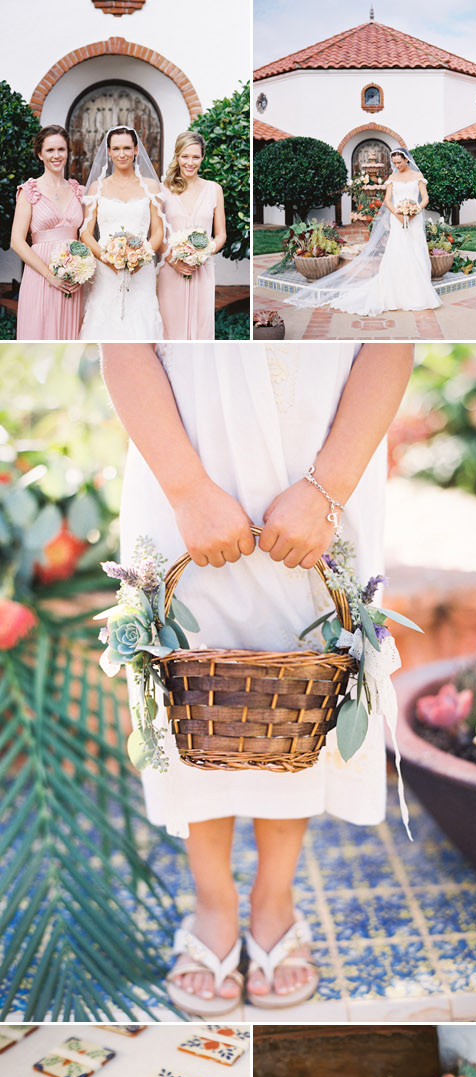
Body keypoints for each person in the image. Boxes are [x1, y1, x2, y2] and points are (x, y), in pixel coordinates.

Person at [101, 340, 414, 1015]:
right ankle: (213, 904)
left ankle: (275, 900)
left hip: (325, 468)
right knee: (192, 689)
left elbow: (391, 342)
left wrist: (326, 490)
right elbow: (124, 347)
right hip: (184, 457)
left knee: (306, 690)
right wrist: (185, 490)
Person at [290, 149, 440, 317]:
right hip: (397, 219)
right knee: (398, 251)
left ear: (406, 160)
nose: (397, 166)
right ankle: (396, 291)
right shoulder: (392, 178)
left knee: (415, 250)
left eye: (399, 162)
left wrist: (414, 211)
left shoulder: (417, 176)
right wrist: (398, 215)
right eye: (395, 163)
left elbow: (425, 198)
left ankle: (417, 292)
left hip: (415, 219)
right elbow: (387, 201)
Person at [79, 126, 165, 340]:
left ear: (136, 150)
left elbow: (158, 232)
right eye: (116, 148)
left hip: (141, 269)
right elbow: (85, 233)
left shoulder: (151, 187)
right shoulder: (97, 188)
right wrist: (108, 258)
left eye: (127, 148)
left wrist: (141, 257)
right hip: (105, 269)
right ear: (108, 152)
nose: (122, 154)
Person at [11, 125, 84, 340]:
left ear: (68, 152)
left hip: (73, 279)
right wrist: (50, 276)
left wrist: (81, 270)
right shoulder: (29, 191)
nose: (56, 155)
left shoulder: (77, 190)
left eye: (61, 150)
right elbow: (16, 241)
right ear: (40, 154)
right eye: (50, 150)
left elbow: (82, 237)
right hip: (41, 276)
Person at [157, 132, 226, 339]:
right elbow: (157, 234)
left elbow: (221, 234)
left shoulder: (214, 190)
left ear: (203, 158)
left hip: (202, 270)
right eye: (185, 156)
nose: (190, 162)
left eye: (196, 157)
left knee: (202, 328)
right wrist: (172, 259)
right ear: (177, 156)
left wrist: (203, 253)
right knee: (171, 329)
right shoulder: (162, 190)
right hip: (171, 270)